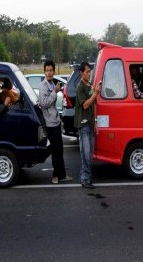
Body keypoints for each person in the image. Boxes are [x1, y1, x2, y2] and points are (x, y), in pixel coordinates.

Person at [38, 60, 73, 184]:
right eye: (47, 70)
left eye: (51, 70)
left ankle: (61, 174)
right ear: (44, 71)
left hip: (56, 121)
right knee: (55, 150)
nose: (49, 73)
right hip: (50, 123)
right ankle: (55, 176)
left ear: (53, 71)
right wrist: (55, 92)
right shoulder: (43, 86)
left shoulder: (52, 83)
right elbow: (44, 103)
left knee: (59, 150)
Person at [74, 61, 101, 189]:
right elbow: (85, 105)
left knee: (89, 154)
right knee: (85, 153)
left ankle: (85, 177)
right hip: (83, 124)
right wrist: (95, 93)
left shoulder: (90, 85)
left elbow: (94, 104)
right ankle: (85, 178)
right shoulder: (80, 87)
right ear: (81, 73)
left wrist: (95, 121)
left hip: (90, 124)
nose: (89, 74)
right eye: (87, 72)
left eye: (90, 72)